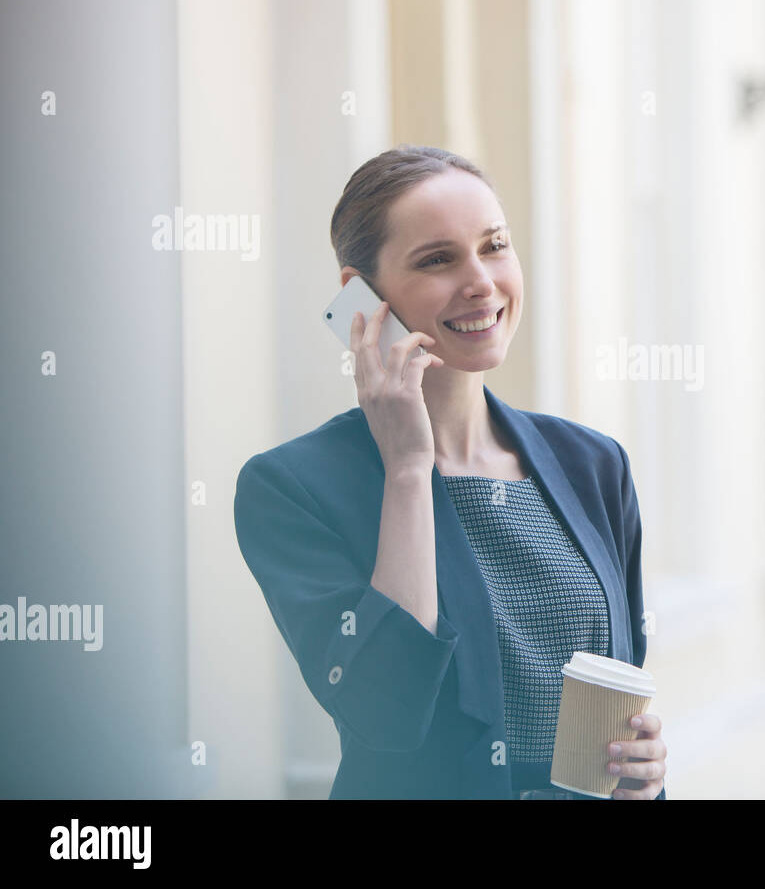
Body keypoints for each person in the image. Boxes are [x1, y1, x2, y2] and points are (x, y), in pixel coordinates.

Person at [233, 145, 667, 799]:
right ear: (362, 300)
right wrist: (409, 469)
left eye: (494, 246)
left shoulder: (594, 465)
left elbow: (620, 688)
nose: (481, 282)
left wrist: (640, 772)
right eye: (438, 259)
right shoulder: (294, 488)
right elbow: (386, 709)